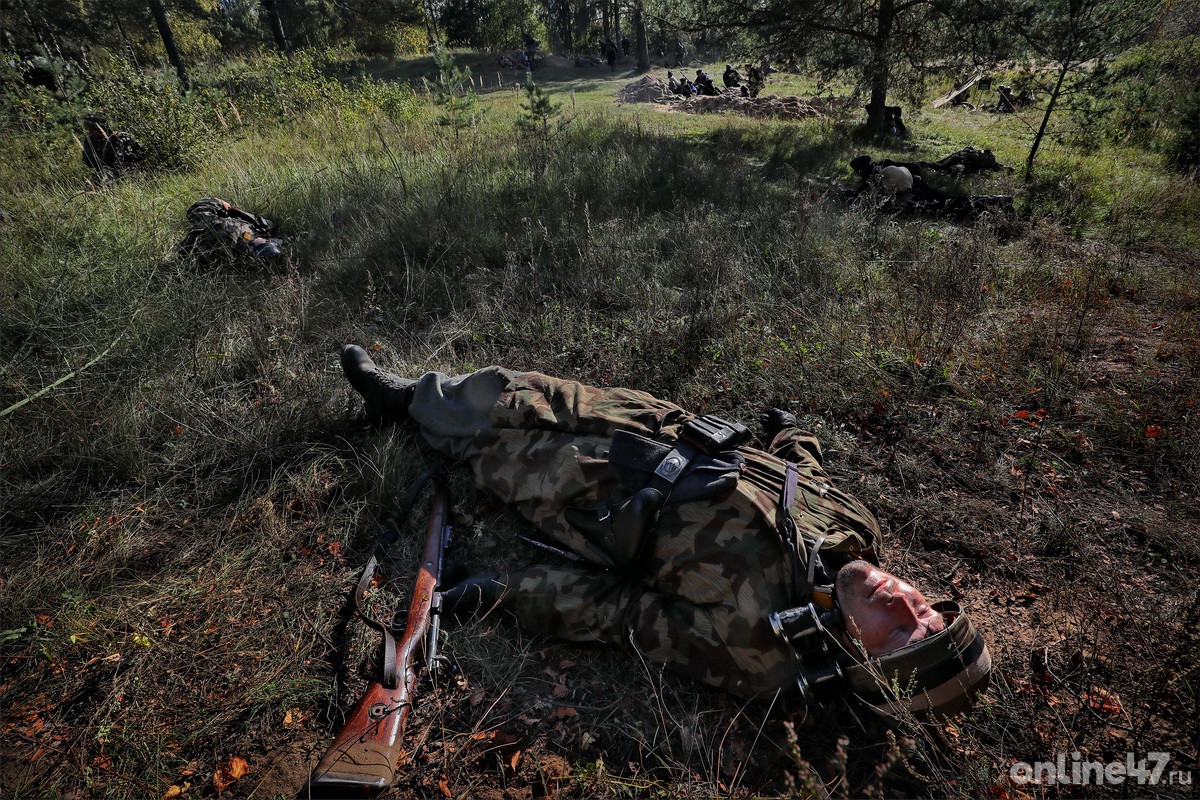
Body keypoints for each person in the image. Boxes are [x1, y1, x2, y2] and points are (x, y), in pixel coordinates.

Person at [338, 347, 992, 717]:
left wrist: (499, 592)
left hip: (591, 492)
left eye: (904, 636)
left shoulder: (757, 646)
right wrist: (793, 437)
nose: (907, 603)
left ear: (864, 664)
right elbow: (806, 480)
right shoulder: (859, 531)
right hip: (663, 429)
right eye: (929, 616)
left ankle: (400, 406)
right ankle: (423, 392)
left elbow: (618, 614)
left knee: (487, 444)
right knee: (523, 387)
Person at [180, 197, 283, 263]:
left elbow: (195, 212)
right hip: (192, 258)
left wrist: (221, 204)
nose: (266, 240)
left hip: (191, 249)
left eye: (266, 242)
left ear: (252, 248)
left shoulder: (231, 230)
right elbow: (274, 243)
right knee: (268, 225)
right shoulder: (245, 258)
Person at [81, 114, 146, 182]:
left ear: (102, 128)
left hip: (128, 170)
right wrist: (106, 160)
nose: (90, 132)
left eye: (93, 129)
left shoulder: (122, 137)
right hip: (105, 171)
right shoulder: (90, 141)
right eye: (89, 129)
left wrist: (126, 158)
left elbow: (141, 153)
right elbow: (88, 161)